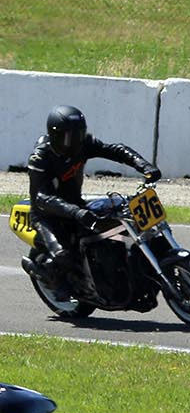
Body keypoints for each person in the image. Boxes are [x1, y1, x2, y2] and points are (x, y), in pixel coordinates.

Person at [26, 105, 161, 294]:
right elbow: (42, 198)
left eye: (79, 134)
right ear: (55, 135)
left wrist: (143, 165)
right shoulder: (41, 158)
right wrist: (76, 212)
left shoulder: (83, 144)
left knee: (118, 223)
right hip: (47, 215)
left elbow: (115, 150)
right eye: (70, 137)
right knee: (64, 255)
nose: (76, 140)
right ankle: (55, 280)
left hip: (76, 204)